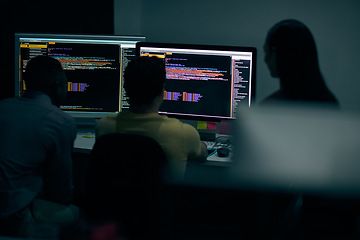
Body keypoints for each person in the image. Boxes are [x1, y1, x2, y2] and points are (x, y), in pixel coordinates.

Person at [0, 56, 84, 239]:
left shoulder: (3, 106)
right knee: (83, 217)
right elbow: (61, 193)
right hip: (12, 217)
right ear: (58, 85)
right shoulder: (60, 122)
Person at [96, 56, 208, 179]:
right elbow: (202, 155)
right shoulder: (183, 133)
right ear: (162, 91)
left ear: (125, 90)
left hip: (114, 198)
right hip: (159, 198)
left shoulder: (104, 126)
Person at [261, 19, 339, 106]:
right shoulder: (331, 103)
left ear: (280, 54)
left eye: (267, 52)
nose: (265, 59)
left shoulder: (271, 107)